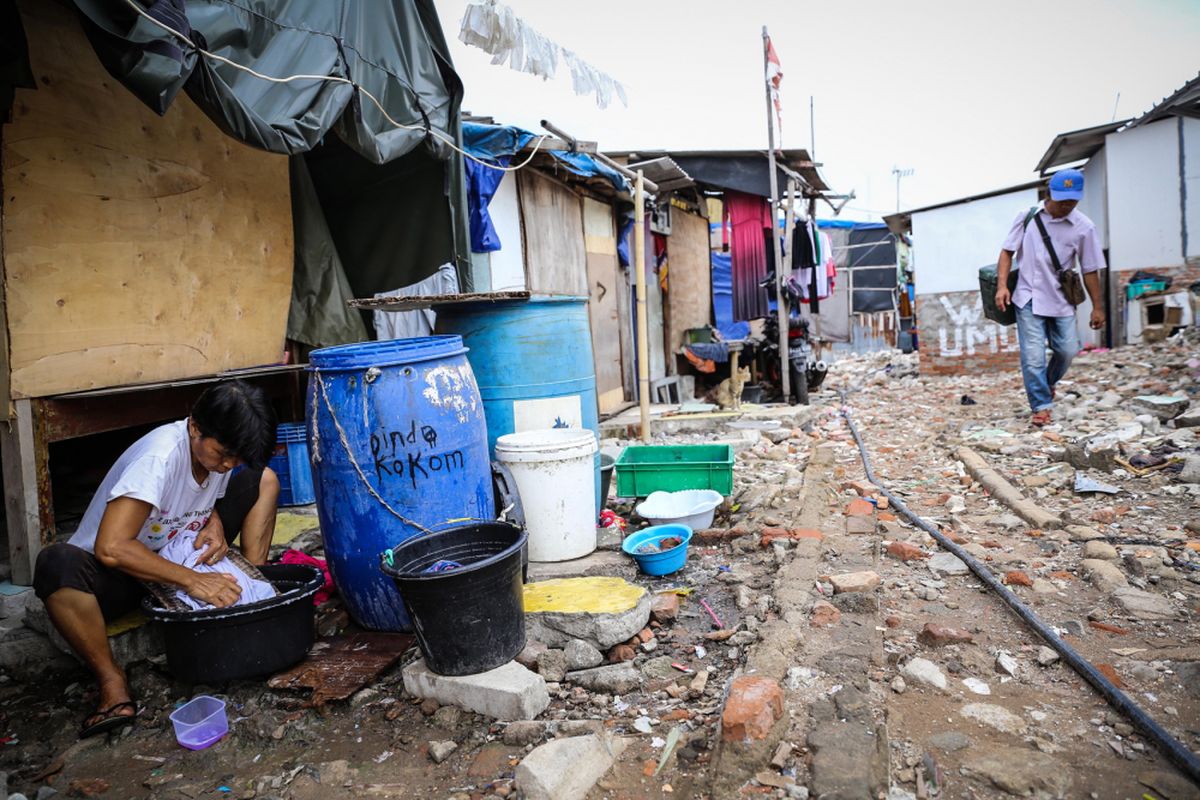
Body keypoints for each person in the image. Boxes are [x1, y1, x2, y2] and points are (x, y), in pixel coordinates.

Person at [33, 380, 280, 738]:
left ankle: (258, 598)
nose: (229, 465)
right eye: (224, 454)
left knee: (265, 480)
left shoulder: (215, 460)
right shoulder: (159, 458)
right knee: (55, 564)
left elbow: (203, 491)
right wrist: (194, 581)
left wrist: (213, 521)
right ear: (194, 426)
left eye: (237, 458)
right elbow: (112, 547)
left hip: (177, 549)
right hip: (120, 577)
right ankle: (111, 680)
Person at [995, 168, 1105, 426]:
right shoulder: (1027, 218)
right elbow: (1006, 252)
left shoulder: (1084, 227)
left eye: (1072, 200)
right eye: (1062, 199)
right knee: (1032, 356)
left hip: (1062, 300)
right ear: (1048, 194)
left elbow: (1090, 268)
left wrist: (1097, 307)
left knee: (1067, 350)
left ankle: (1048, 383)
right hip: (1028, 296)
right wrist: (1002, 286)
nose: (1067, 205)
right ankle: (1041, 406)